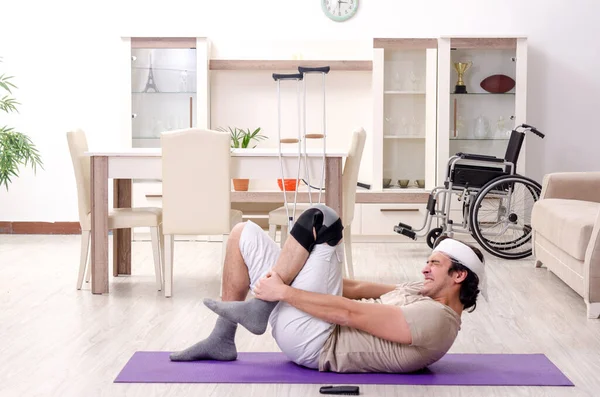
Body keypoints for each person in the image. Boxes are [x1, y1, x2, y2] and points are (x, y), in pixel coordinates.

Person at [170, 204, 486, 373]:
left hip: (317, 342)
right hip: (311, 321)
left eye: (434, 264)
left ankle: (259, 308)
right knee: (242, 233)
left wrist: (282, 291)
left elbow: (349, 313)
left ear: (458, 276)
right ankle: (221, 339)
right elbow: (356, 288)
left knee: (323, 219)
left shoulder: (435, 320)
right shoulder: (422, 291)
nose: (425, 268)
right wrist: (295, 271)